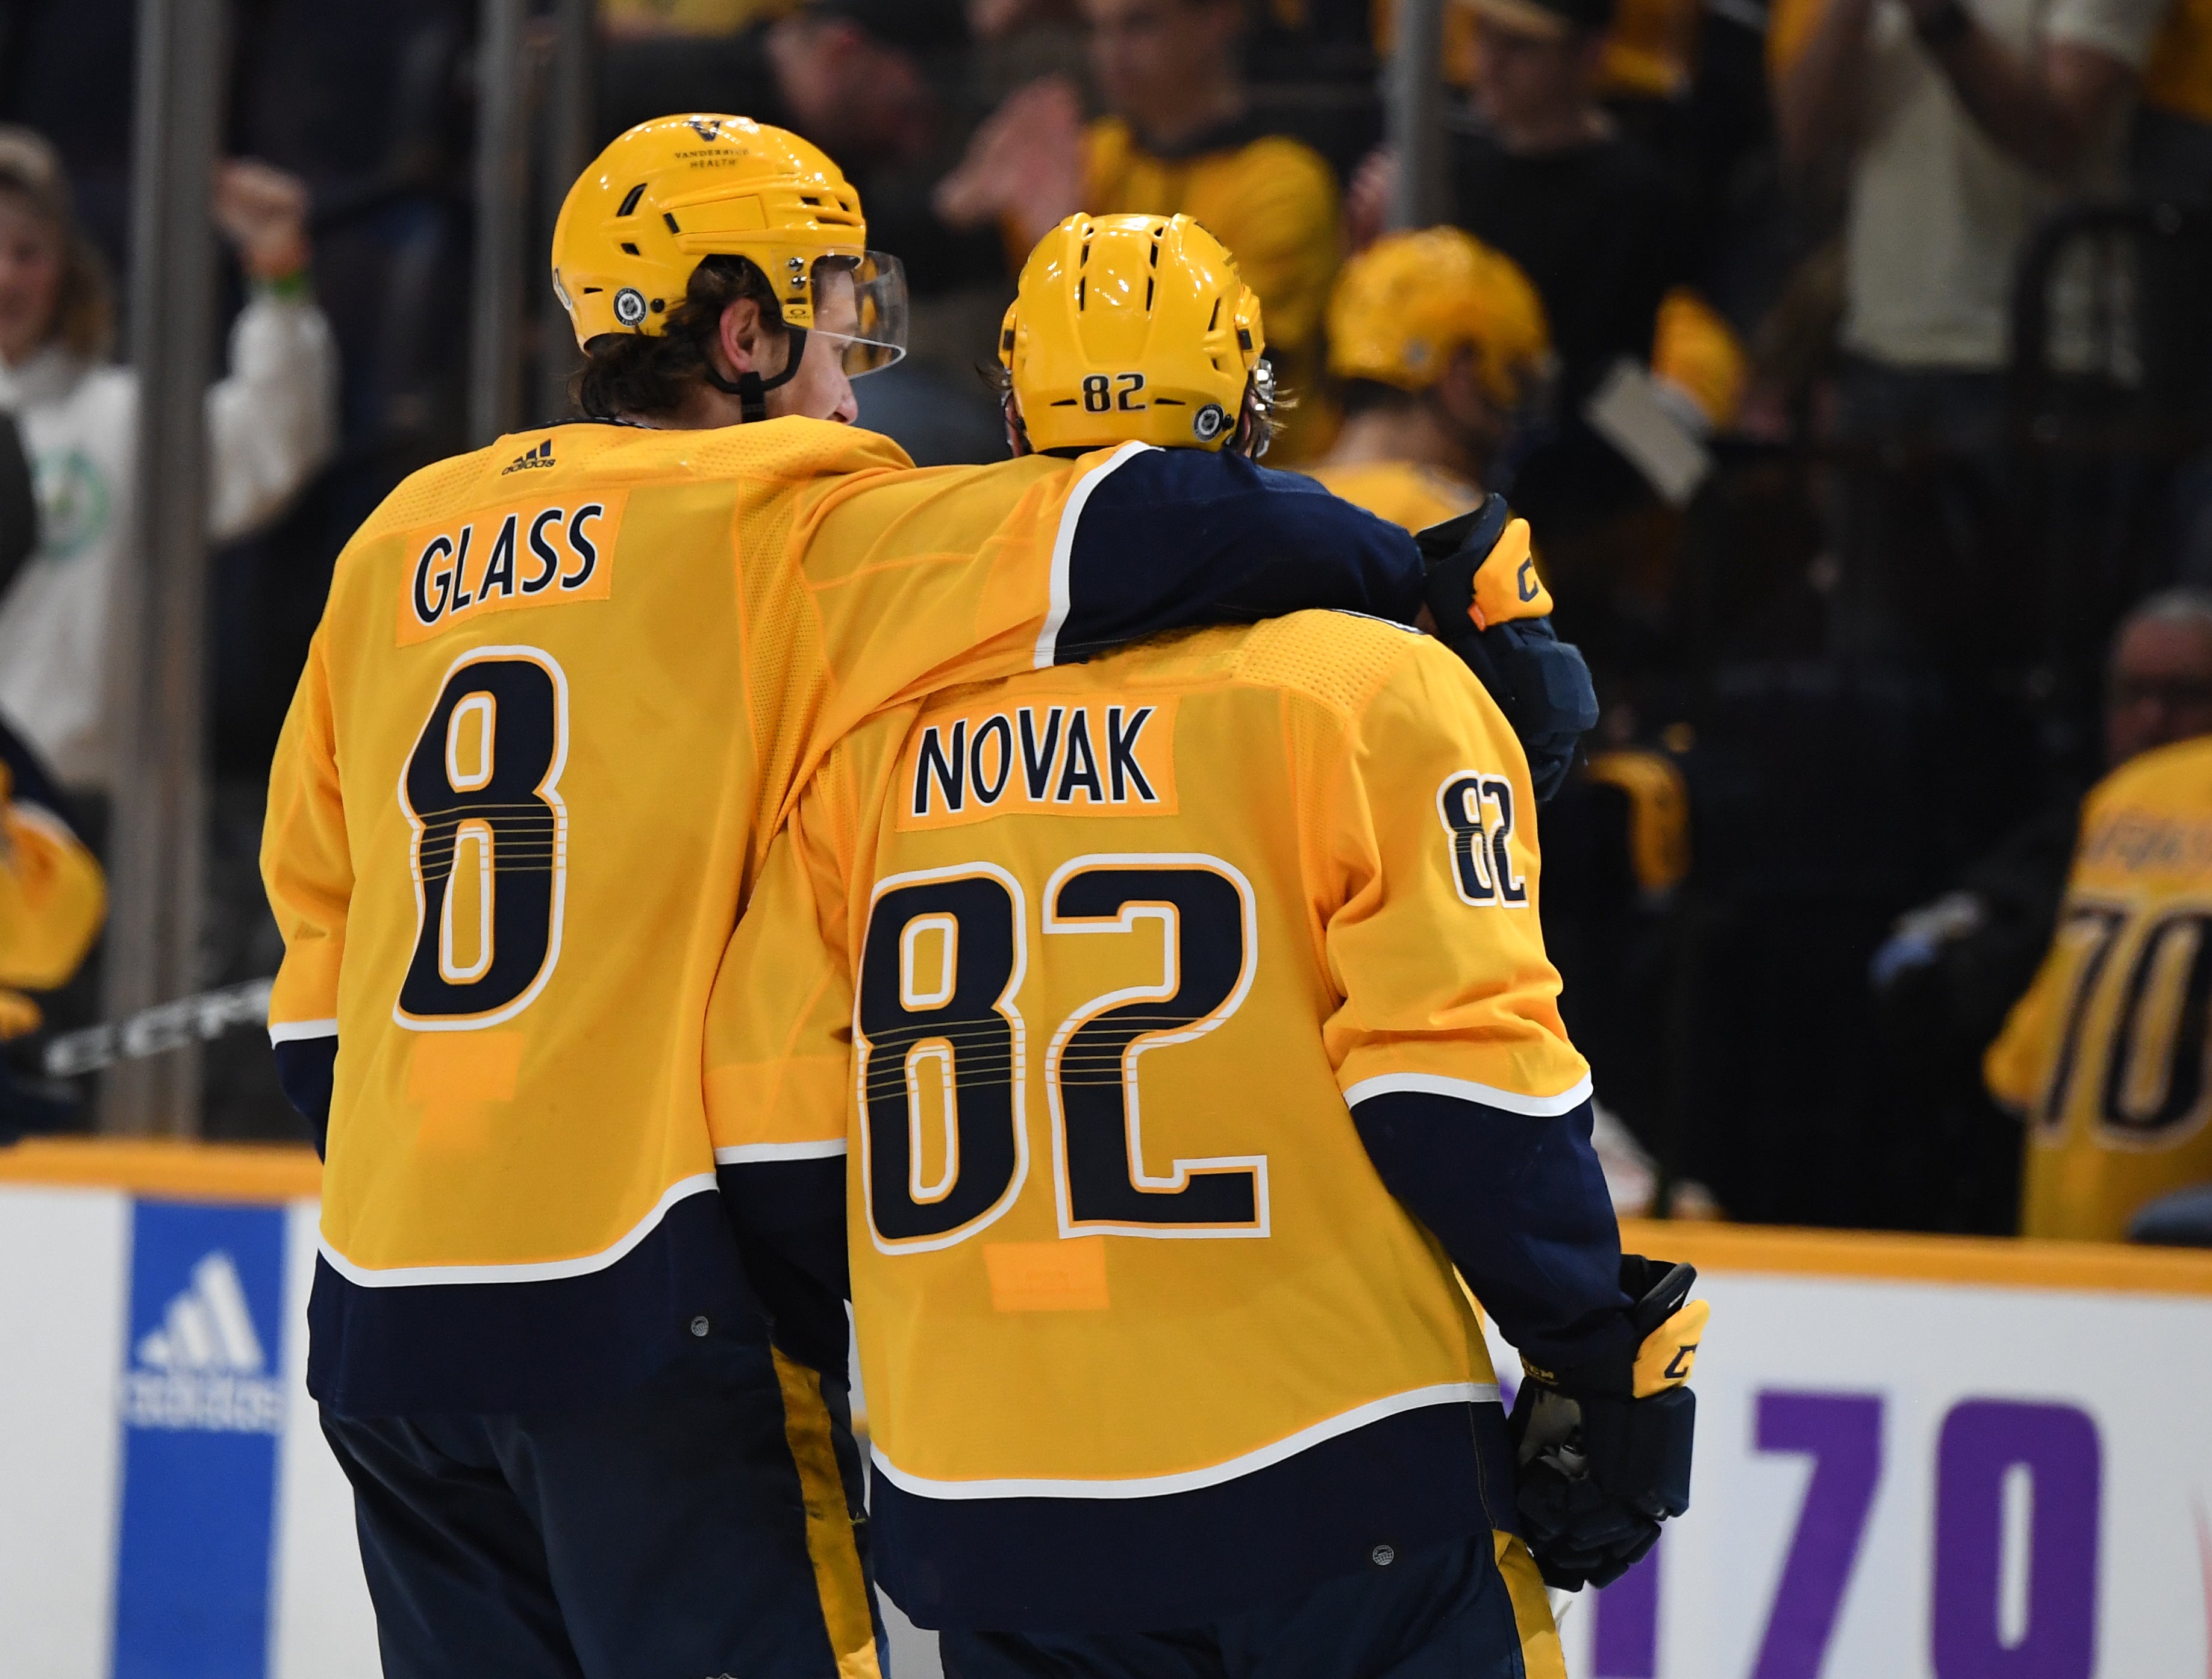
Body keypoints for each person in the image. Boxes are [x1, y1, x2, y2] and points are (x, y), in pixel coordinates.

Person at [260, 119, 1455, 1679]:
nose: (850, 377)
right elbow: (1162, 519)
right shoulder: (789, 513)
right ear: (742, 333)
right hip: (640, 1300)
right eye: (832, 321)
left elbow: (314, 987)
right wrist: (1448, 573)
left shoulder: (392, 542)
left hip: (386, 1318)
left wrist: (449, 1185)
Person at [705, 208, 1692, 1679]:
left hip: (990, 1499)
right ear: (1249, 408)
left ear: (1016, 415)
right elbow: (1462, 1084)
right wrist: (1591, 1347)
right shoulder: (1366, 689)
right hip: (1328, 1462)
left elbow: (777, 1138)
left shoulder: (866, 756)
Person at [1770, 0, 2167, 662]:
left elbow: (2057, 132)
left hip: (2043, 361)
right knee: (1876, 676)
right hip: (1884, 349)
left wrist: (1938, 19)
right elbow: (1803, 143)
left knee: (2025, 670)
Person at [0, 127, 336, 803]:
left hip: (83, 804)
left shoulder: (125, 421)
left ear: (66, 263)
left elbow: (273, 441)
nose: (5, 279)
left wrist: (279, 274)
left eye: (27, 252)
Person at [935, 0, 1342, 459]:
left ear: (1218, 18)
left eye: (1140, 24)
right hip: (1092, 458)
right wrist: (958, 203)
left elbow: (1218, 369)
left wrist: (1056, 239)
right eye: (1098, 31)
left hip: (1253, 467)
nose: (1111, 52)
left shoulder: (1284, 181)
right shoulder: (1097, 154)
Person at [1982, 590, 2212, 1242]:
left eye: (2186, 695)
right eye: (2131, 694)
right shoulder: (2113, 803)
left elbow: (2015, 1075)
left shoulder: (2117, 802)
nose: (2153, 719)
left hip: (2076, 1265)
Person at [1307, 226, 1554, 534]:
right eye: (1514, 378)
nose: (1512, 414)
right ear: (1460, 374)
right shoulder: (1477, 535)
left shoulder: (1263, 509)